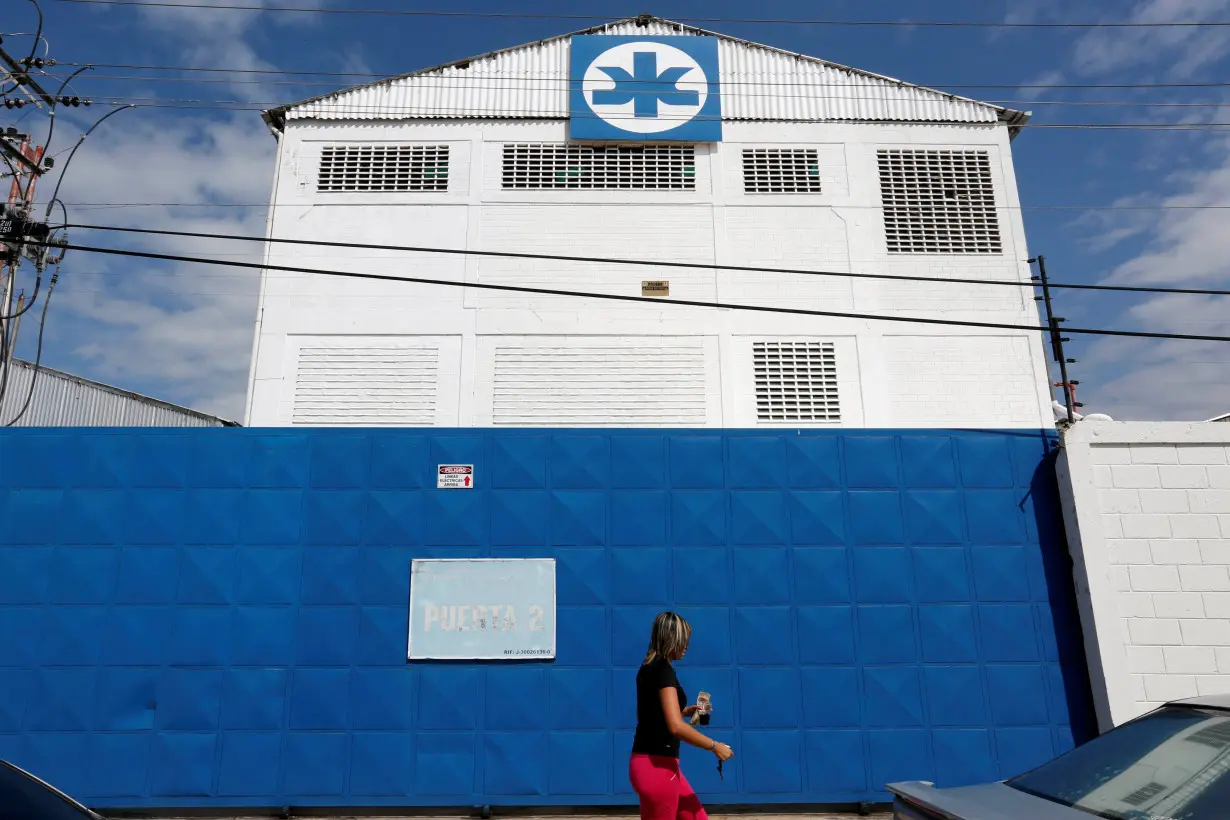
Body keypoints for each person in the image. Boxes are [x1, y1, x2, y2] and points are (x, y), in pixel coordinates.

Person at [629, 611, 735, 820]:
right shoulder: (662, 670)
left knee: (696, 816)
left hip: (654, 764)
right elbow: (675, 727)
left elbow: (648, 715)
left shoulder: (648, 667)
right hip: (657, 768)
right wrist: (715, 746)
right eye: (683, 640)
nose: (686, 646)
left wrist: (684, 712)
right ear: (670, 639)